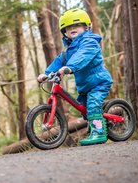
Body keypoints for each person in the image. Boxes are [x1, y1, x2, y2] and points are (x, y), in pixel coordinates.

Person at [37, 8, 113, 146]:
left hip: (99, 81)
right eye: (68, 27)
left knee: (93, 105)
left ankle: (99, 133)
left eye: (76, 25)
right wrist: (47, 74)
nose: (72, 28)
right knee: (85, 111)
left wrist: (69, 67)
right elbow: (59, 61)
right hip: (85, 86)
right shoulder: (69, 49)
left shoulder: (90, 42)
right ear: (64, 32)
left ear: (86, 26)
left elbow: (82, 56)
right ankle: (97, 126)